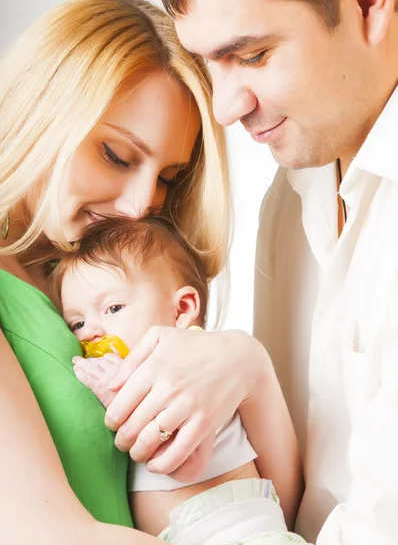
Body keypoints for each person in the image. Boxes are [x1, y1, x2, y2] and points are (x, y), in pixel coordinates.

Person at [143, 0, 398, 544]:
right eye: (211, 64)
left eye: (253, 55)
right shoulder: (291, 195)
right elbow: (288, 498)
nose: (227, 107)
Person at [0, 0, 242, 543]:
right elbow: (47, 533)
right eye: (116, 155)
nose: (140, 207)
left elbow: (262, 493)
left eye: (166, 177)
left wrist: (248, 367)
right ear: (42, 112)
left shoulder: (117, 289)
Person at [52, 215, 305, 545]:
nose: (92, 331)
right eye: (77, 324)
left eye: (113, 308)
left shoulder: (194, 371)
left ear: (181, 309)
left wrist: (118, 397)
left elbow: (186, 464)